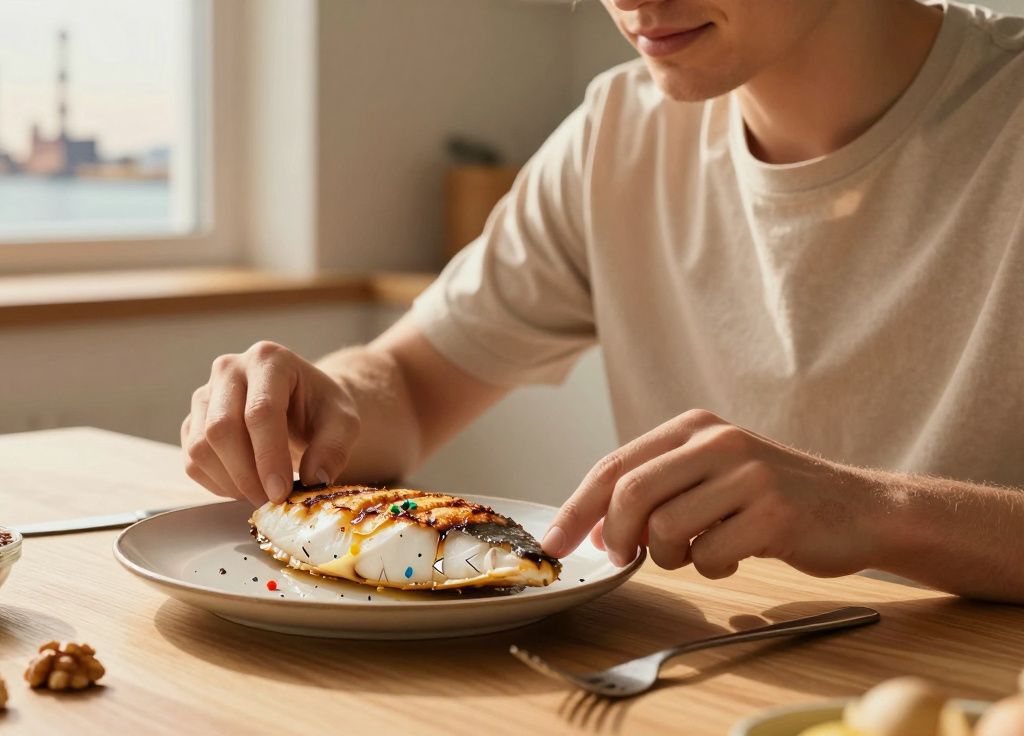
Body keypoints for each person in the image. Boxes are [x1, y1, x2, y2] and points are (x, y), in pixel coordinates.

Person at [182, 0, 1024, 603]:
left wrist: (880, 513)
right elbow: (405, 386)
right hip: (708, 680)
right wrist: (319, 400)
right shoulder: (616, 133)